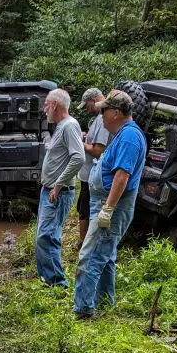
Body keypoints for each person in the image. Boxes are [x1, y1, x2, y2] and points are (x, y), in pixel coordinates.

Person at [73, 90, 147, 319]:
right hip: (103, 202)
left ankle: (84, 310)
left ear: (116, 112)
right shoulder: (123, 133)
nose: (101, 115)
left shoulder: (129, 137)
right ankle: (105, 301)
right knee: (106, 256)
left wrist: (108, 209)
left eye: (104, 111)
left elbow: (122, 176)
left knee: (91, 256)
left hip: (112, 206)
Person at [35, 88, 85, 287]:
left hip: (58, 192)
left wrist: (58, 185)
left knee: (47, 236)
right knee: (44, 235)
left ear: (55, 104)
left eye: (46, 104)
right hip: (49, 190)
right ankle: (47, 278)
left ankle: (57, 282)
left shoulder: (69, 126)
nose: (44, 109)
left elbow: (78, 158)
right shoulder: (61, 126)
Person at [78, 88, 111, 245]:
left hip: (94, 176)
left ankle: (84, 243)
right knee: (82, 208)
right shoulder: (98, 118)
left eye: (86, 105)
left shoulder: (103, 120)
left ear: (96, 99)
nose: (85, 109)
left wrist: (81, 143)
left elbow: (98, 151)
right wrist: (86, 137)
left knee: (86, 210)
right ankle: (84, 242)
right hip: (88, 175)